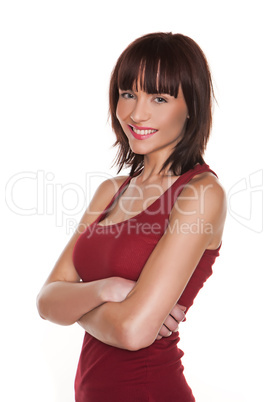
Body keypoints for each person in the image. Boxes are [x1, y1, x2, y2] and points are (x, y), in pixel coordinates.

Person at [37, 32, 227, 401]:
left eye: (159, 97)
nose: (136, 113)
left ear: (192, 106)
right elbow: (46, 301)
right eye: (128, 93)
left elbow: (133, 333)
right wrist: (106, 290)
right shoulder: (111, 190)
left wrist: (75, 305)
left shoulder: (200, 194)